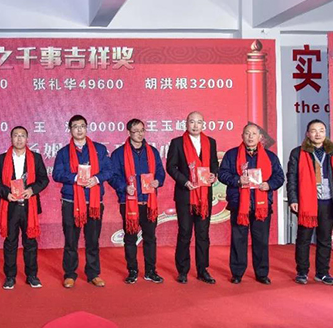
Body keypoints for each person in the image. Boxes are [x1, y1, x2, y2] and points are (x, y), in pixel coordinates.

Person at [218, 122, 285, 284]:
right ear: (242, 136)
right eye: (247, 133)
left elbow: (279, 177)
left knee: (261, 241)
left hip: (262, 206)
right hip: (239, 204)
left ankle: (262, 274)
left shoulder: (270, 157)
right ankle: (237, 273)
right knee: (238, 240)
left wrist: (269, 185)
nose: (250, 137)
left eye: (254, 134)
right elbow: (222, 174)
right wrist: (237, 180)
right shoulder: (232, 154)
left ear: (260, 137)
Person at [286, 119, 333, 285]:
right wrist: (293, 199)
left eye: (321, 130)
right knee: (304, 239)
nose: (318, 134)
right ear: (308, 134)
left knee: (325, 239)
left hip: (328, 202)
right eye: (314, 131)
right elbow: (292, 178)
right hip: (307, 202)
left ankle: (322, 272)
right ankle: (302, 272)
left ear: (325, 133)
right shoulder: (298, 153)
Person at [52, 114, 112, 288]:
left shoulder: (100, 150)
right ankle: (70, 274)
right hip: (71, 202)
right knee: (71, 240)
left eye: (82, 126)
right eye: (75, 126)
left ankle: (93, 273)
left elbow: (109, 171)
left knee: (92, 240)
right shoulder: (63, 153)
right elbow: (57, 174)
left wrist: (97, 179)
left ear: (86, 128)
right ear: (70, 130)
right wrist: (75, 178)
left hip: (93, 202)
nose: (79, 129)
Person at [0, 126, 49, 290]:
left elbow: (44, 180)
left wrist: (32, 190)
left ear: (27, 139)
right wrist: (6, 193)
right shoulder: (0, 159)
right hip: (10, 206)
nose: (19, 138)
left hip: (29, 206)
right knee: (10, 242)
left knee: (30, 242)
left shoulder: (36, 158)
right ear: (11, 139)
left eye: (22, 135)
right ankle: (10, 277)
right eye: (16, 135)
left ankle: (32, 276)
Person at [109, 118, 166, 284]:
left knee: (150, 238)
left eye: (142, 130)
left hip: (149, 202)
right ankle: (132, 270)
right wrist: (124, 187)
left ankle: (150, 271)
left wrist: (157, 181)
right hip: (128, 202)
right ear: (129, 133)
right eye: (136, 131)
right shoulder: (119, 154)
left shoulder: (152, 152)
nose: (140, 134)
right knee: (130, 238)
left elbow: (160, 172)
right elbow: (112, 176)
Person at [166, 111, 219, 284]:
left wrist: (214, 175)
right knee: (185, 233)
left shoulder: (210, 142)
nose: (195, 125)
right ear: (186, 124)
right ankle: (182, 270)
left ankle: (203, 270)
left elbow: (214, 164)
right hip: (185, 195)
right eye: (192, 122)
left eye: (199, 122)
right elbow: (171, 167)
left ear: (203, 124)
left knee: (203, 234)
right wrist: (185, 181)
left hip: (204, 196)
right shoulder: (177, 143)